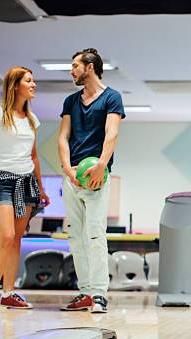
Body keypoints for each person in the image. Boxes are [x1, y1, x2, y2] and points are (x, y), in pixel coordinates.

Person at [0, 66, 50, 311]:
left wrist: (41, 187)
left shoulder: (32, 119)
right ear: (15, 85)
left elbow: (35, 156)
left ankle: (8, 293)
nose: (33, 85)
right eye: (29, 80)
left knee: (17, 239)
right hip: (0, 180)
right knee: (5, 236)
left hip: (26, 181)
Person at [58, 48, 125, 313]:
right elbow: (63, 137)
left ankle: (98, 294)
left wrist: (100, 165)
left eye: (75, 65)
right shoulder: (71, 101)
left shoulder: (111, 97)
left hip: (97, 176)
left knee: (95, 234)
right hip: (73, 175)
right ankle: (84, 291)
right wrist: (66, 169)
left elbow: (112, 133)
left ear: (90, 67)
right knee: (75, 235)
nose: (71, 70)